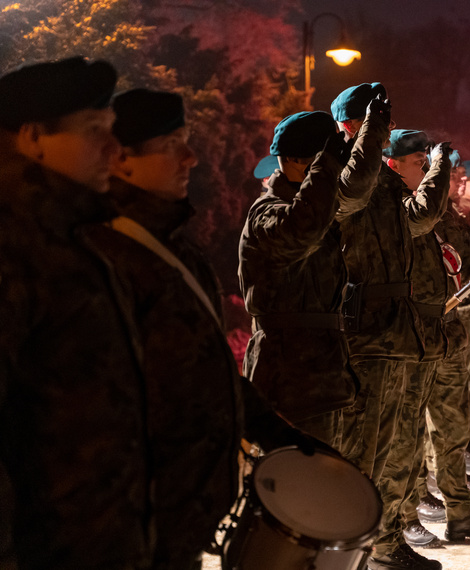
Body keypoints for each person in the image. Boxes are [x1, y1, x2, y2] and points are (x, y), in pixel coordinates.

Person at [95, 88, 321, 569]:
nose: (191, 157)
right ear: (121, 160)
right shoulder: (101, 254)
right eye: (171, 144)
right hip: (128, 518)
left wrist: (279, 434)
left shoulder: (176, 248)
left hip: (181, 512)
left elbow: (207, 372)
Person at [0, 56, 152, 569]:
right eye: (93, 131)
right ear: (32, 138)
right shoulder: (14, 247)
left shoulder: (73, 237)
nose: (114, 147)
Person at [331, 86, 449, 570]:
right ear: (350, 127)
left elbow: (418, 221)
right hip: (367, 332)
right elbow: (351, 194)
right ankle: (360, 549)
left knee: (393, 448)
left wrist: (439, 170)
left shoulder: (382, 182)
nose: (382, 132)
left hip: (397, 332)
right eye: (373, 122)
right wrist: (373, 136)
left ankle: (382, 542)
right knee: (364, 453)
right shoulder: (341, 174)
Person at [381, 131, 470, 551]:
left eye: (428, 160)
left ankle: (460, 514)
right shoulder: (390, 209)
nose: (429, 168)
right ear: (392, 164)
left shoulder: (446, 216)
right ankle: (405, 518)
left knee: (451, 432)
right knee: (408, 436)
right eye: (420, 161)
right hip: (411, 337)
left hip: (449, 332)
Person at [239, 108, 385, 449]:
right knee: (300, 487)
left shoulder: (319, 206)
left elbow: (353, 193)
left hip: (324, 373)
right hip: (289, 377)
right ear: (294, 161)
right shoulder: (267, 211)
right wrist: (325, 167)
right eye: (321, 163)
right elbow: (300, 230)